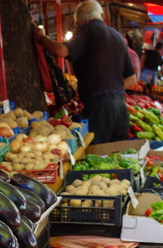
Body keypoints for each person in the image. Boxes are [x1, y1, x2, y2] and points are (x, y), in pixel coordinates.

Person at [37, 1, 136, 144]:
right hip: (120, 106)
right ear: (100, 15)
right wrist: (112, 92)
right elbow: (132, 79)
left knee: (95, 154)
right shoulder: (117, 36)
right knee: (116, 154)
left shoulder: (88, 29)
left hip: (100, 107)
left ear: (79, 20)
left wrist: (43, 37)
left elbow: (61, 50)